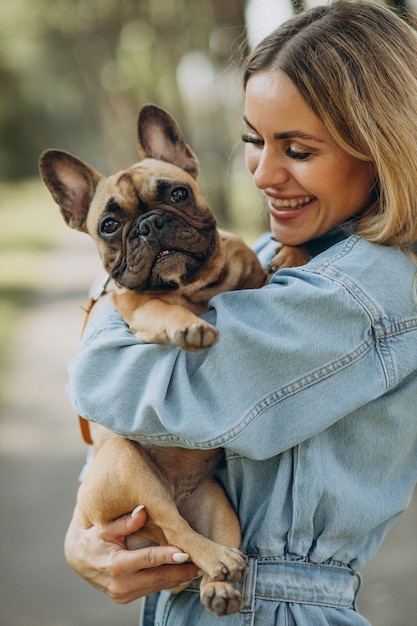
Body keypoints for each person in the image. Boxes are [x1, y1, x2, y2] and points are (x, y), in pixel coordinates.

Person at [63, 1, 417, 624]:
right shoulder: (268, 256)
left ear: (380, 148)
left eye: (298, 150)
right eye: (253, 140)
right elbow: (124, 442)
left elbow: (120, 390)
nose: (264, 173)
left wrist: (116, 296)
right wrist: (86, 534)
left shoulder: (363, 290)